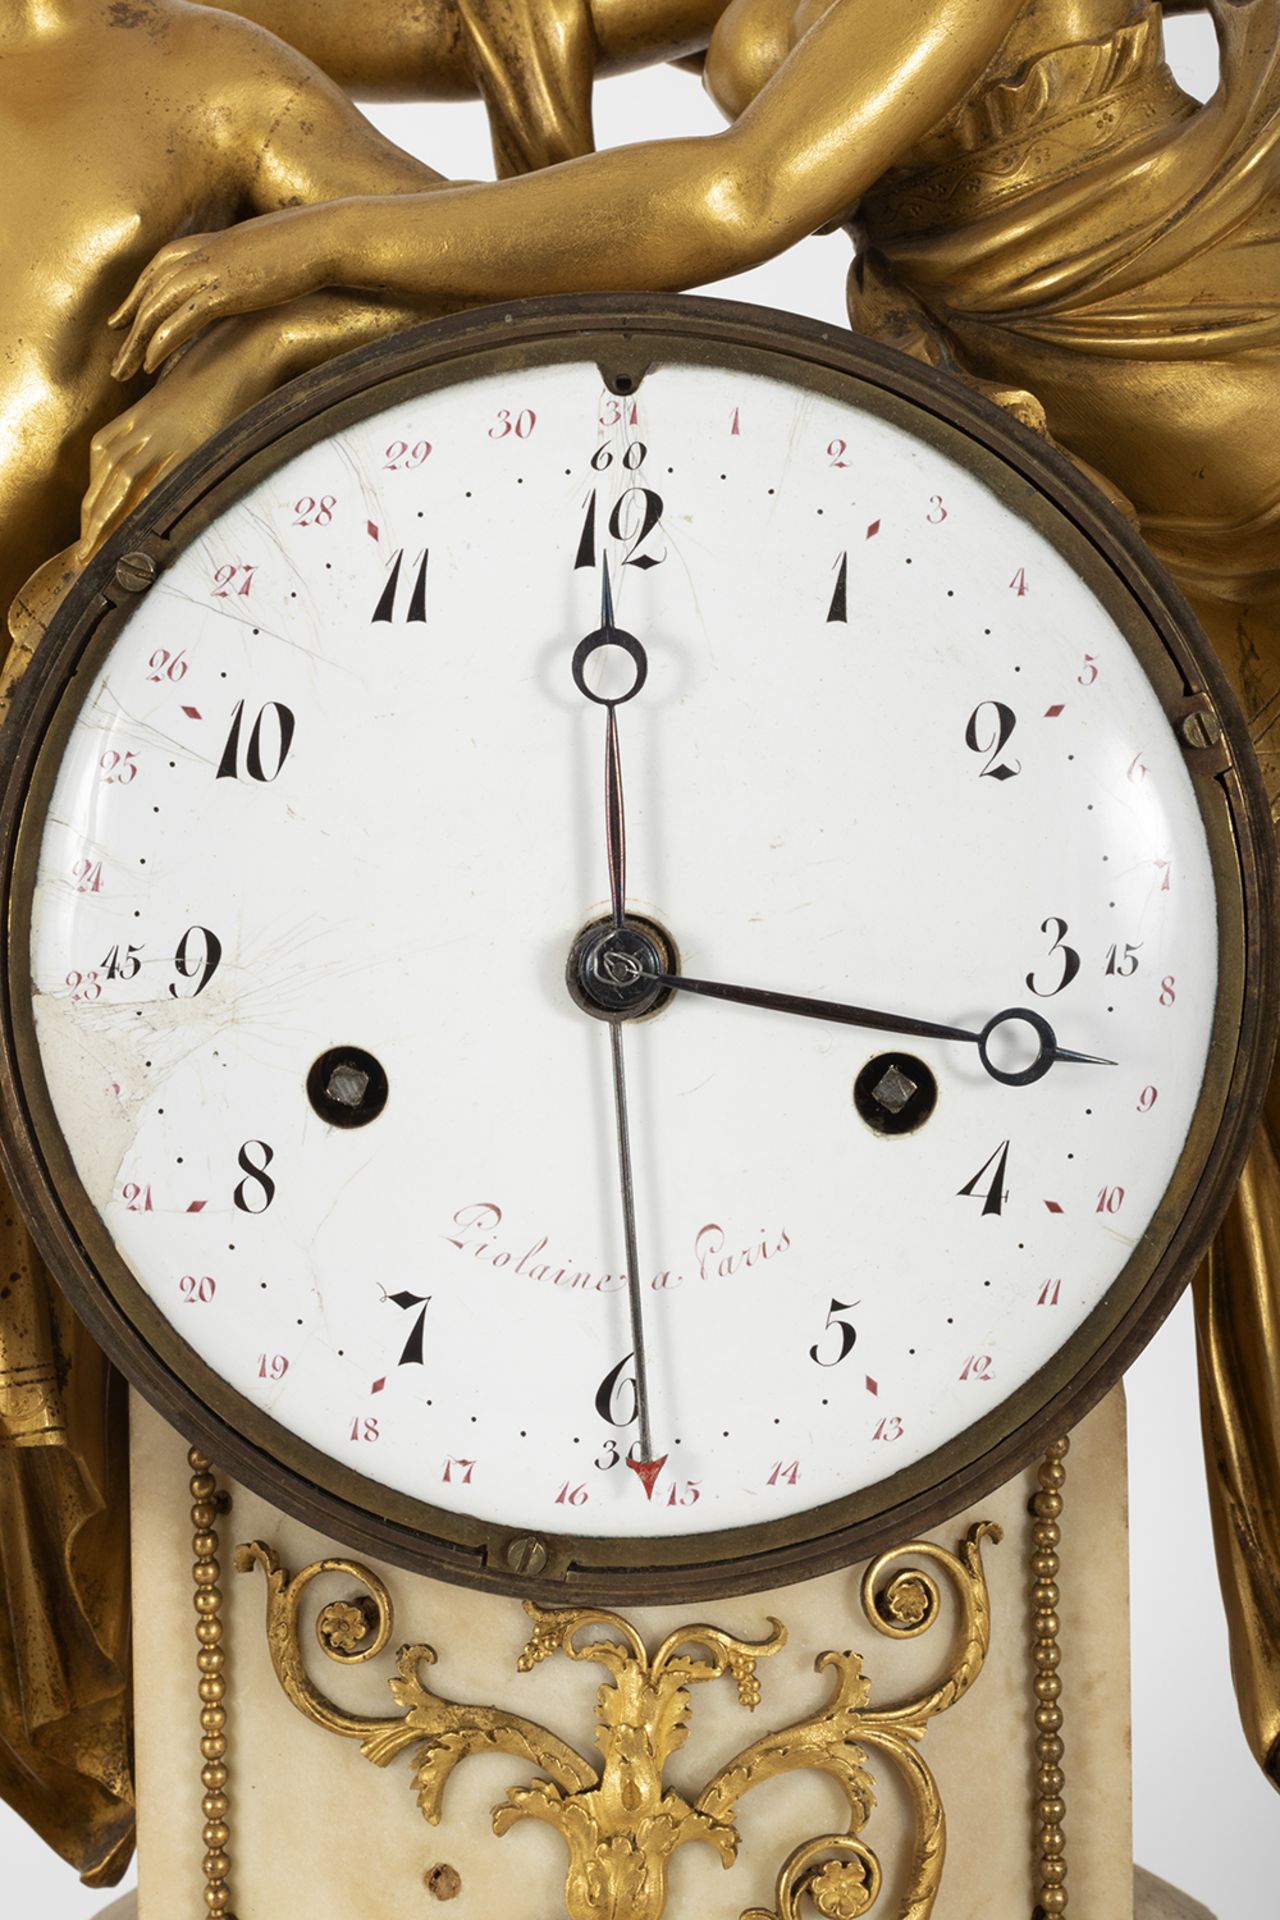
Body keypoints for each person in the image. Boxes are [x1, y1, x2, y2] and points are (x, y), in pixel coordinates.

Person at [105, 0, 1280, 1790]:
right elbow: (462, 19)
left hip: (1193, 399)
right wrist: (159, 47)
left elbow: (738, 197)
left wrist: (320, 246)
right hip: (1041, 421)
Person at [0, 0, 541, 1883]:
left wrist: (261, 354)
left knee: (143, 1412)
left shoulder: (194, 78)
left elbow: (508, 320)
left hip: (124, 843)